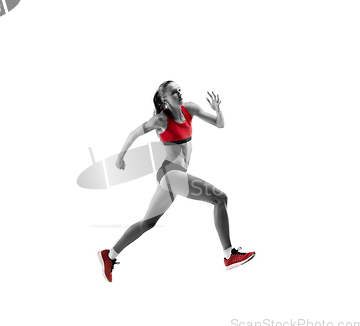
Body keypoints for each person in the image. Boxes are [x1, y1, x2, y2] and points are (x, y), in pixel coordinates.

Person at [98, 81, 255, 282]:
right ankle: (229, 254)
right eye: (174, 92)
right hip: (170, 174)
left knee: (147, 223)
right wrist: (121, 157)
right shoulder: (161, 119)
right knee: (220, 198)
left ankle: (109, 255)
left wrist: (218, 111)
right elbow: (133, 134)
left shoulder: (190, 108)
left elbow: (219, 124)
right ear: (165, 98)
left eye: (180, 90)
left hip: (173, 176)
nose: (179, 94)